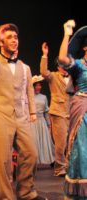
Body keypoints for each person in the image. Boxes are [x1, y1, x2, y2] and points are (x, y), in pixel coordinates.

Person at [0, 23, 47, 200]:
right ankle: (6, 197)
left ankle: (26, 191)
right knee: (3, 161)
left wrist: (32, 112)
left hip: (21, 115)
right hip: (0, 114)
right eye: (9, 37)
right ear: (1, 41)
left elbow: (28, 90)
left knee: (31, 153)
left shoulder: (24, 67)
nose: (14, 40)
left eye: (16, 37)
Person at [58, 19, 87, 199]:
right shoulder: (79, 65)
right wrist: (66, 33)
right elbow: (62, 59)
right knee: (82, 147)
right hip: (83, 107)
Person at [40, 42, 70, 176]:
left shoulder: (73, 77)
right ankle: (59, 168)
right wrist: (45, 55)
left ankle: (70, 166)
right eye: (63, 66)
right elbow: (43, 72)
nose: (65, 68)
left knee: (73, 142)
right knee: (61, 143)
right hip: (58, 112)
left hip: (72, 112)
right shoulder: (53, 76)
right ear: (58, 67)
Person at [30, 75, 55, 167]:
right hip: (31, 122)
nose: (38, 87)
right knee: (33, 141)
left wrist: (48, 124)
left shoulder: (44, 97)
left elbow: (46, 112)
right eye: (36, 85)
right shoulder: (28, 97)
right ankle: (33, 161)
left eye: (39, 85)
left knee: (45, 141)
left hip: (41, 121)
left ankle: (51, 160)